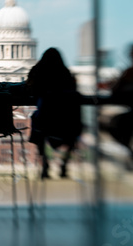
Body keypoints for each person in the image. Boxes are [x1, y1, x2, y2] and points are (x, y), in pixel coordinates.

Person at [27, 48, 82, 179]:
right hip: (66, 121)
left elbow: (31, 89)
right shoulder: (66, 74)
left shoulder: (39, 72)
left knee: (37, 123)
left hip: (46, 121)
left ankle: (45, 164)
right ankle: (64, 164)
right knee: (73, 128)